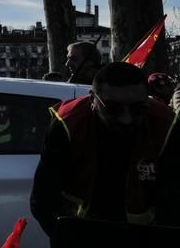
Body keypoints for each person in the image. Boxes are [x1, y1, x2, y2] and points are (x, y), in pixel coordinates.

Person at [30, 62, 178, 237]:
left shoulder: (167, 126)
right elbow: (44, 200)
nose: (126, 119)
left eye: (138, 109)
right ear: (93, 99)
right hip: (82, 234)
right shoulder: (68, 125)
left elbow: (174, 198)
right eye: (113, 109)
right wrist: (67, 242)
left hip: (148, 237)